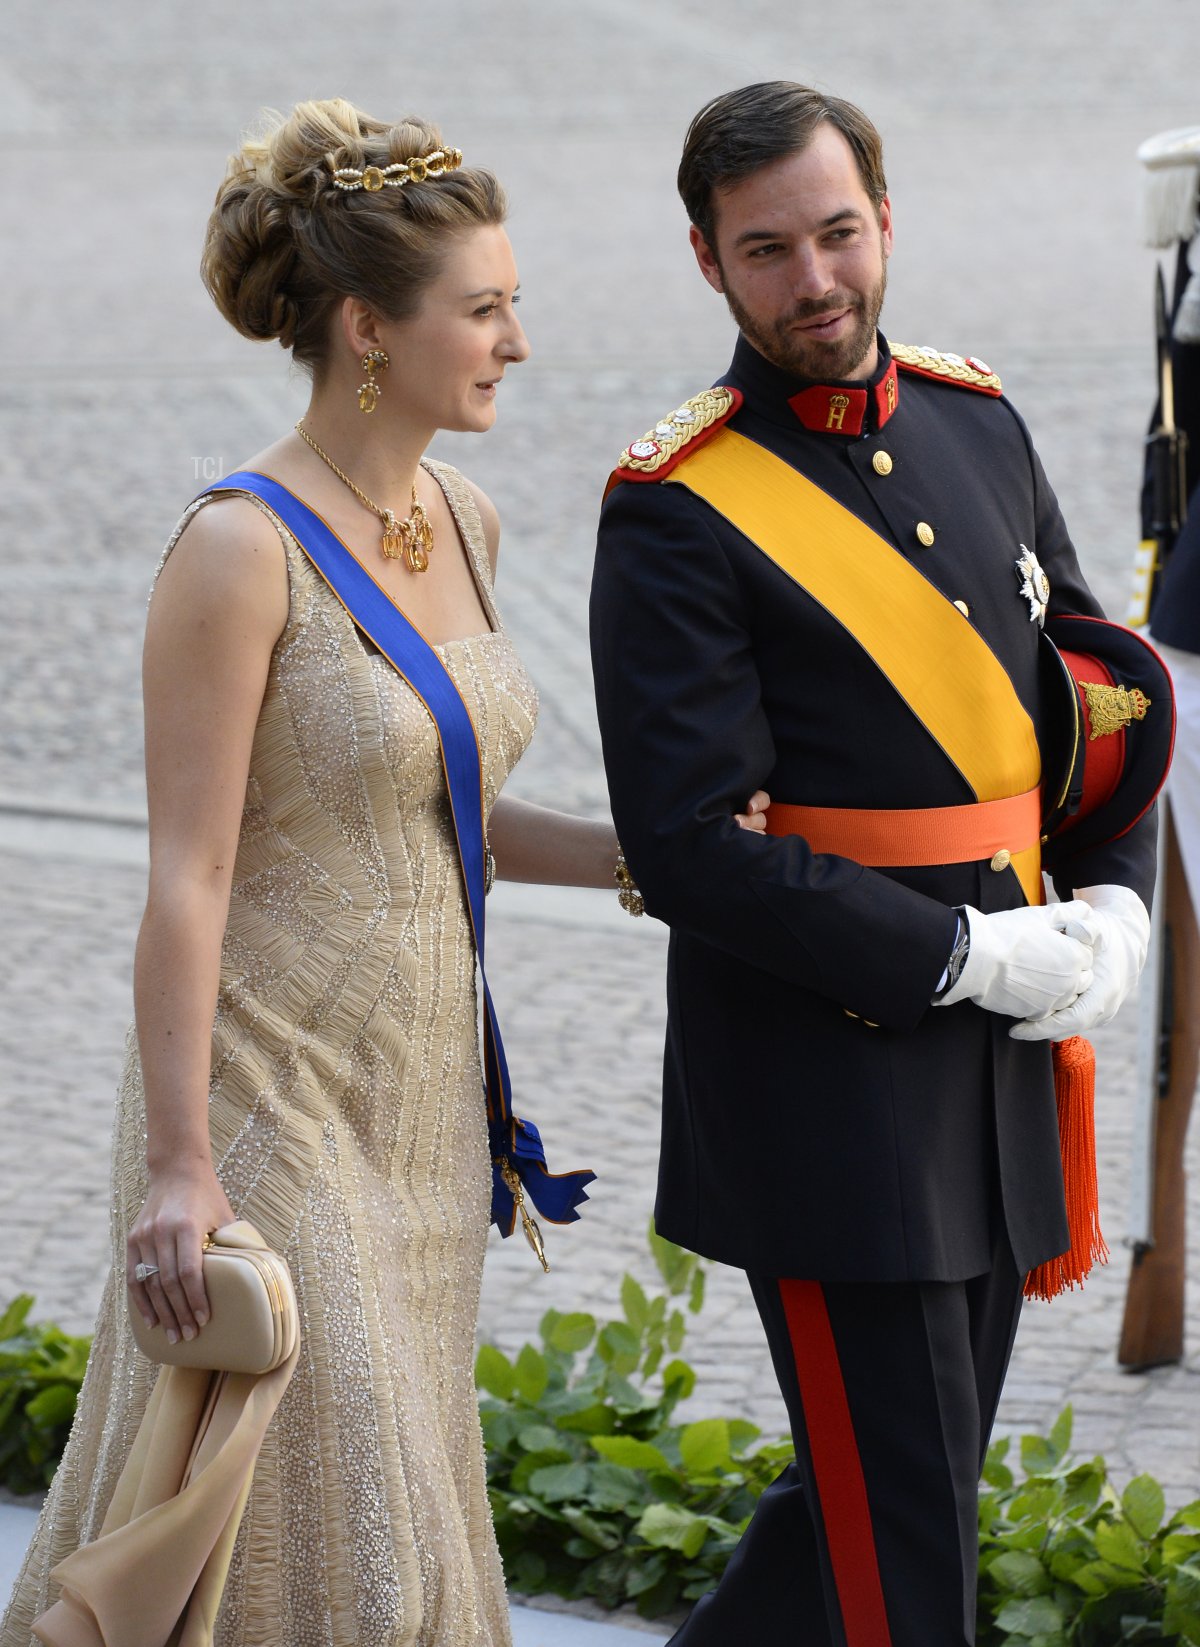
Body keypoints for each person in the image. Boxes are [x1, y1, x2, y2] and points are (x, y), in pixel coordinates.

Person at [0, 98, 770, 1647]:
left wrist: (655, 861)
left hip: (417, 1108)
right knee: (323, 1517)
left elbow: (454, 813)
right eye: (483, 310)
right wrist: (174, 1166)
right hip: (264, 1104)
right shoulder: (238, 550)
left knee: (404, 1491)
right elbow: (188, 879)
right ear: (370, 327)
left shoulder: (463, 520)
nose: (515, 342)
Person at [590, 82, 1167, 1647]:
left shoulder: (975, 420)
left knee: (878, 1496)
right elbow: (689, 848)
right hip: (827, 1081)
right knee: (906, 1551)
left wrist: (1115, 898)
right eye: (768, 250)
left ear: (888, 222)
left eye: (840, 233)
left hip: (1005, 1061)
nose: (818, 280)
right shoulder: (677, 510)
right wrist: (961, 954)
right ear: (709, 263)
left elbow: (1095, 693)